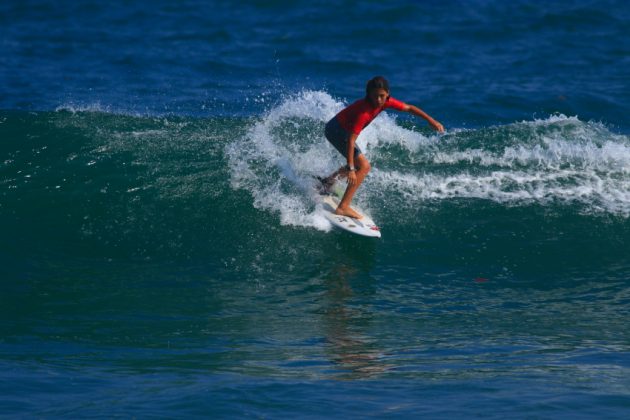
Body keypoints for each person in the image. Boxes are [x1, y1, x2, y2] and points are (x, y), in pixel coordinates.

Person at [320, 76, 444, 219]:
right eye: (375, 96)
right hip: (336, 131)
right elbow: (351, 140)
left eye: (382, 96)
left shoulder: (386, 102)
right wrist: (350, 168)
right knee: (364, 167)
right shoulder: (364, 112)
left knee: (358, 165)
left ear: (387, 94)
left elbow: (409, 107)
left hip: (339, 129)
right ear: (369, 95)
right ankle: (343, 207)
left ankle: (327, 182)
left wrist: (431, 121)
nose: (378, 100)